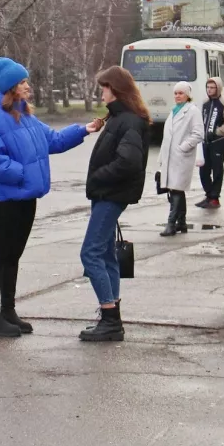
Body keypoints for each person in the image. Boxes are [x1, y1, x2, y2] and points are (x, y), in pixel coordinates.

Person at [0, 56, 96, 337]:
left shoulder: (26, 117)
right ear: (10, 88)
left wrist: (83, 130)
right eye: (22, 82)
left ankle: (8, 310)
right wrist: (22, 174)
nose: (28, 86)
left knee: (13, 255)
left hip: (26, 198)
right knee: (0, 254)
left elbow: (52, 140)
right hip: (7, 199)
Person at [79, 65, 150, 343]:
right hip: (108, 195)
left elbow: (129, 162)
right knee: (106, 255)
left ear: (116, 89)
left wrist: (99, 177)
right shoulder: (120, 118)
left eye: (105, 87)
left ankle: (109, 317)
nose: (102, 92)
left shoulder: (128, 121)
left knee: (91, 253)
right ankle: (112, 317)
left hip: (111, 196)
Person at [156, 81, 204, 237]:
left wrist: (183, 147)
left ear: (187, 95)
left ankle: (171, 223)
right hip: (170, 156)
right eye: (175, 93)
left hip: (182, 157)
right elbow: (167, 137)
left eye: (180, 93)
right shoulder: (174, 110)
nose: (177, 96)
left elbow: (198, 134)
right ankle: (181, 222)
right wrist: (161, 157)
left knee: (176, 189)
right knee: (175, 189)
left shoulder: (192, 111)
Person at [196, 77, 224, 210]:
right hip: (205, 141)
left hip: (218, 141)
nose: (209, 90)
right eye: (208, 88)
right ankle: (209, 194)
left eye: (212, 88)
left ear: (218, 88)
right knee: (203, 169)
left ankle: (215, 197)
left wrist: (218, 131)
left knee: (217, 169)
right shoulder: (205, 103)